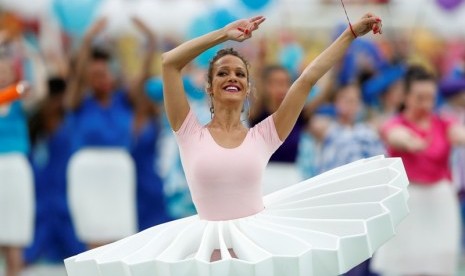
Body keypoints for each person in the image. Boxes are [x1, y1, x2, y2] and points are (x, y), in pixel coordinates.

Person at [65, 14, 410, 276]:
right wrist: (223, 35)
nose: (232, 77)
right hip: (205, 247)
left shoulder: (263, 135)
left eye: (240, 74)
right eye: (223, 73)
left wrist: (349, 35)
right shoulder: (188, 131)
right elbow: (169, 63)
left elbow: (307, 79)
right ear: (210, 87)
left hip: (257, 246)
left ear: (247, 89)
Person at [371, 66, 465, 276]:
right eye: (419, 97)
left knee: (439, 263)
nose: (426, 104)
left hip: (440, 201)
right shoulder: (395, 123)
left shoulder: (443, 122)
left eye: (430, 97)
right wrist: (409, 141)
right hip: (407, 201)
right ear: (405, 96)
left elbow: (459, 133)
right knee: (404, 265)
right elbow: (395, 135)